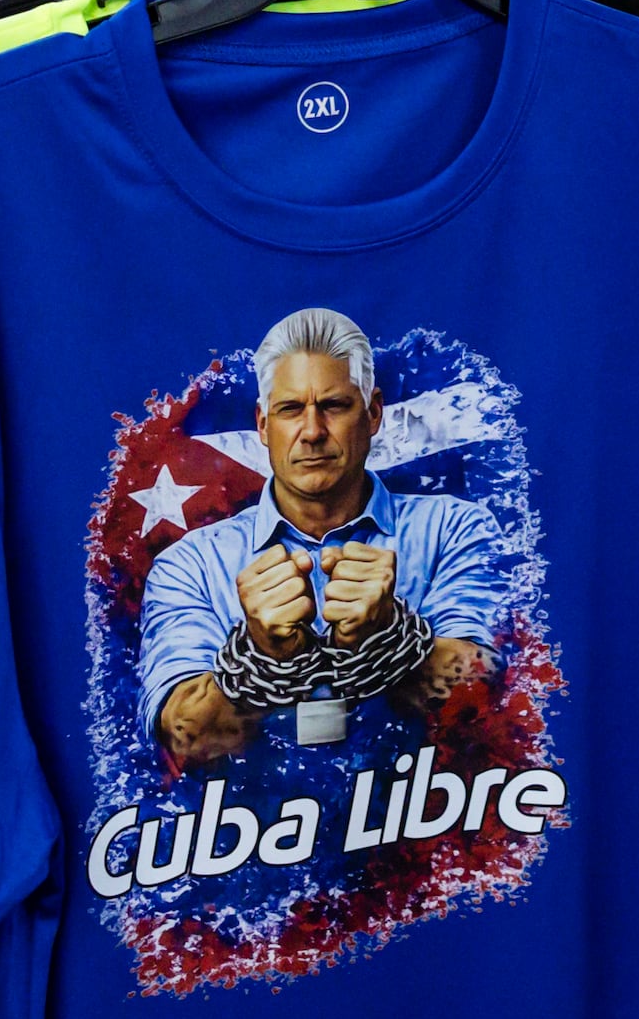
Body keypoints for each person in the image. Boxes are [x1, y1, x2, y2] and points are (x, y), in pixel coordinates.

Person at [141, 308, 503, 767]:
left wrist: (390, 636)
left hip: (431, 817)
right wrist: (259, 655)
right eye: (291, 409)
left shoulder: (457, 530)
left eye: (333, 406)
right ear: (263, 424)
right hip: (253, 828)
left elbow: (489, 698)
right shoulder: (189, 564)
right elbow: (183, 739)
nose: (311, 432)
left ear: (372, 414)